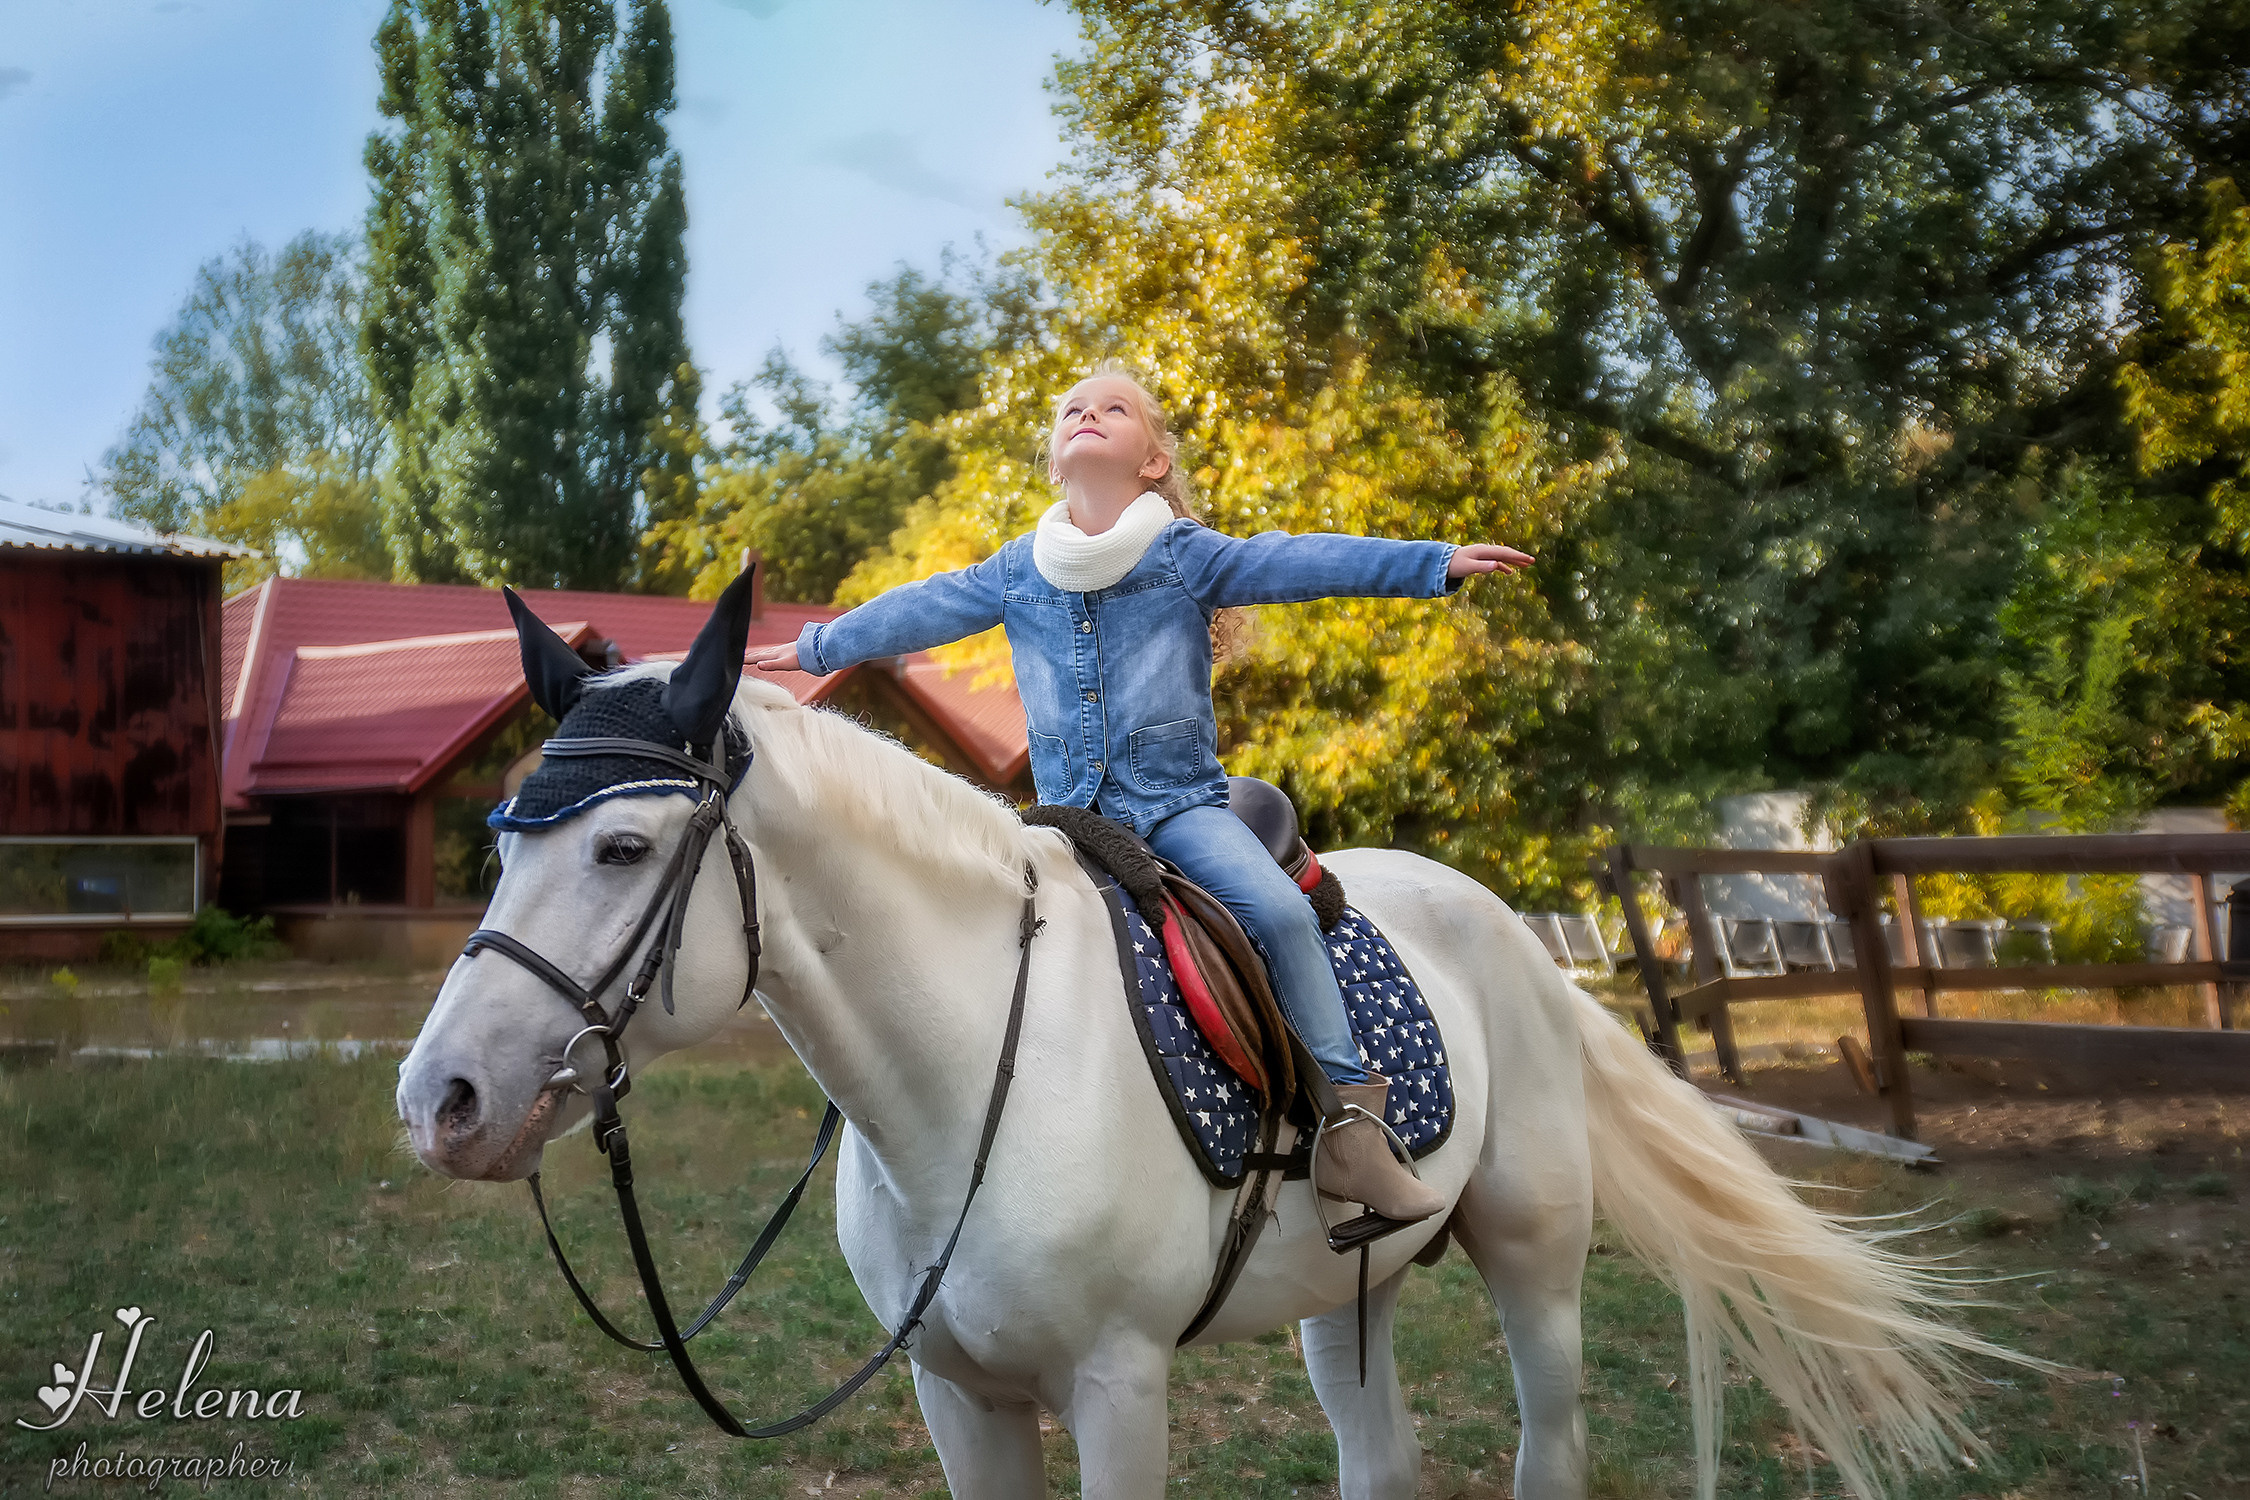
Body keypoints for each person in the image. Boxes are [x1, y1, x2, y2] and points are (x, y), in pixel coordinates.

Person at [744, 368, 1532, 1233]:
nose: (1088, 413)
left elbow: (1298, 558)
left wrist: (1432, 564)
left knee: (1278, 912)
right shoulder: (1017, 571)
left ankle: (1349, 1124)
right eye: (1073, 408)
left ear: (1152, 461)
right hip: (1062, 821)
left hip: (1179, 809)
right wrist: (817, 646)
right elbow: (919, 610)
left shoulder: (1185, 554)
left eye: (1113, 408)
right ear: (1054, 458)